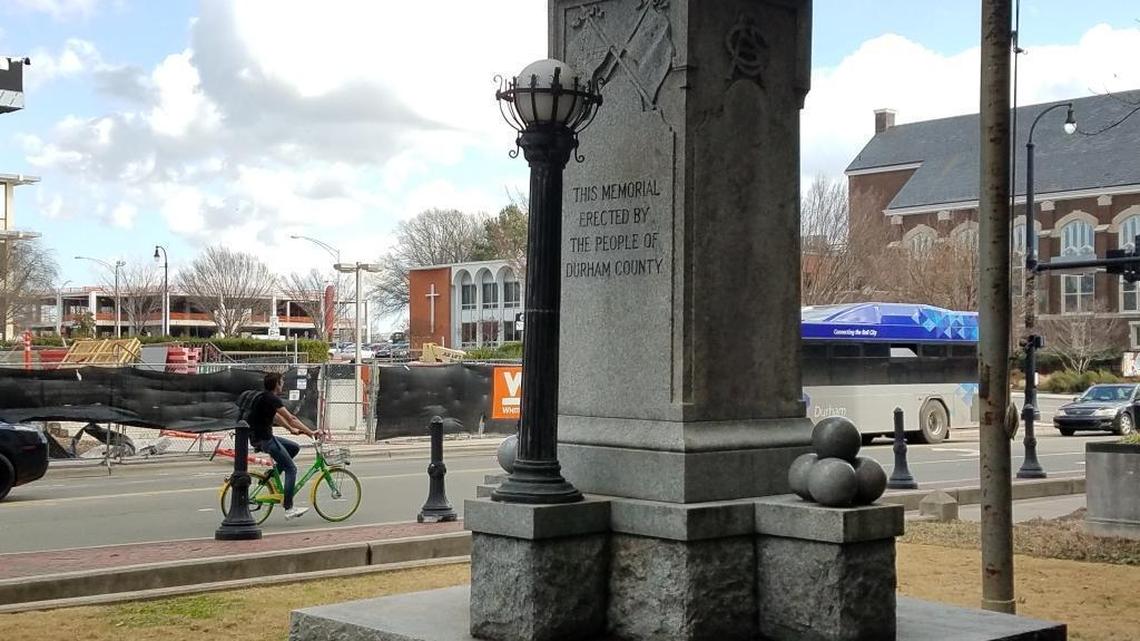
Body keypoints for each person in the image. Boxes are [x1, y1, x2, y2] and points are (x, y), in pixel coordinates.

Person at [247, 371, 318, 520]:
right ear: (277, 384)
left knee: (294, 448)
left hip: (261, 437)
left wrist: (290, 430)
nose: (283, 384)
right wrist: (310, 432)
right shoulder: (272, 398)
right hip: (265, 439)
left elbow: (276, 417)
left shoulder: (264, 397)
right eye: (282, 382)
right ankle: (289, 507)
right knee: (291, 468)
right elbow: (291, 418)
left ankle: (272, 475)